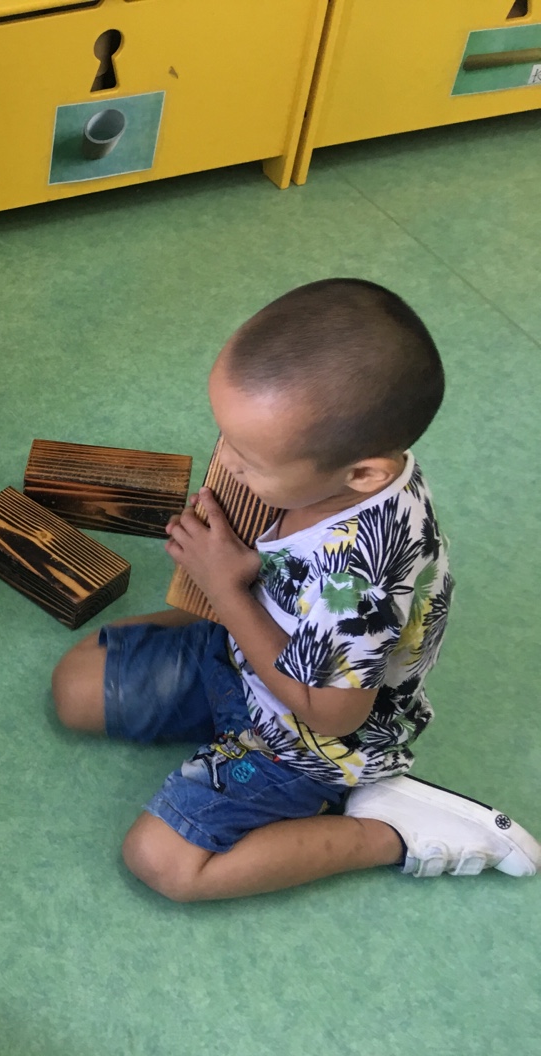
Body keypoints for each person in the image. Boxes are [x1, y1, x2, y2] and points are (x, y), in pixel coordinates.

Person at [51, 279, 539, 900]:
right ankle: (218, 689)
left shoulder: (358, 577)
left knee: (163, 863)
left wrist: (224, 590)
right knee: (75, 688)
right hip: (251, 658)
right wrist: (228, 577)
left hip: (309, 740)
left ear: (363, 474)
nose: (226, 460)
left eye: (249, 458)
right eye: (227, 436)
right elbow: (285, 570)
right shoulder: (335, 474)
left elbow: (332, 712)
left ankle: (386, 828)